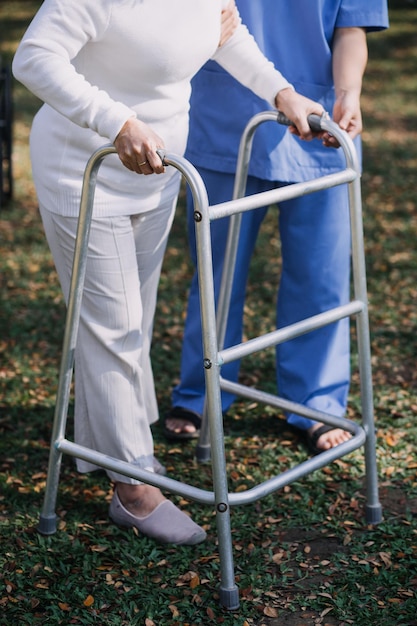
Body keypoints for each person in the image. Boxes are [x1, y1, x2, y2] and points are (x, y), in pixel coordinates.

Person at [12, 0, 326, 545]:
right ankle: (133, 488)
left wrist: (281, 91)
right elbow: (34, 58)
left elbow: (229, 38)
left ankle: (113, 451)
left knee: (133, 318)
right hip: (83, 168)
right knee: (114, 325)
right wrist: (116, 121)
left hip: (156, 173)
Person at [165, 0, 389, 454]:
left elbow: (351, 25)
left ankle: (316, 401)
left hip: (321, 126)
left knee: (320, 278)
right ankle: (201, 392)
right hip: (223, 117)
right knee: (215, 276)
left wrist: (349, 93)